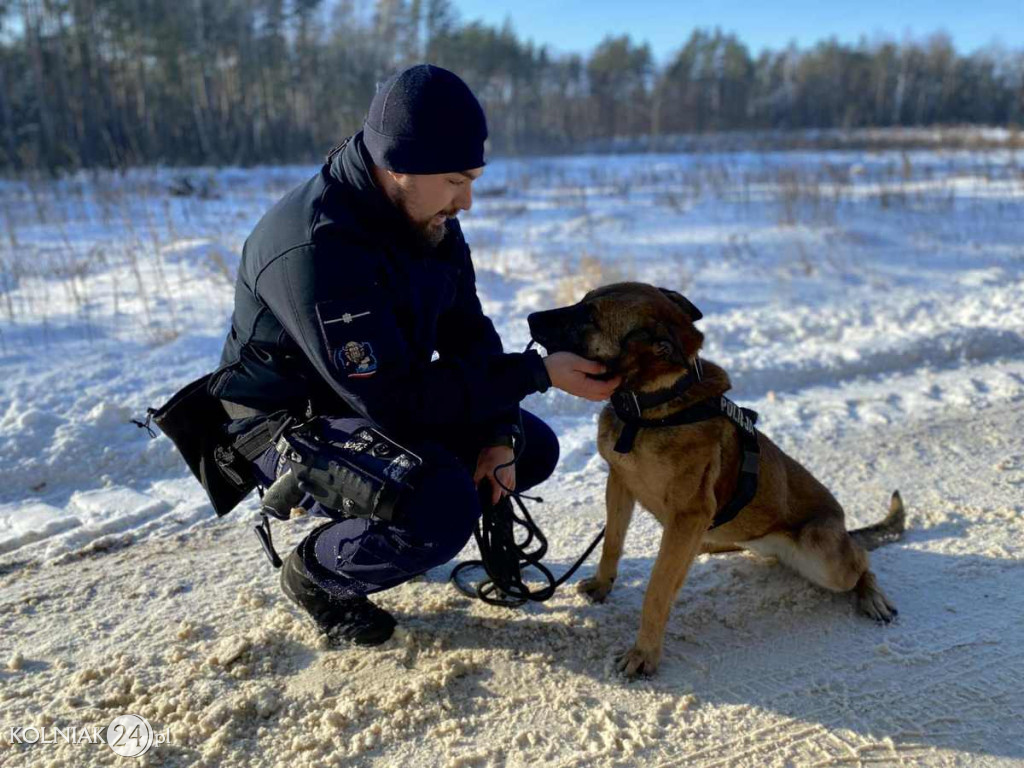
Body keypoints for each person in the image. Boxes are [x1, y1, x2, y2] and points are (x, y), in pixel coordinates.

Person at [208, 64, 619, 646]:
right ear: (398, 165)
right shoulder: (317, 247)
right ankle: (318, 575)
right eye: (456, 180)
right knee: (440, 503)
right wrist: (534, 372)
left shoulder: (425, 217)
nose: (467, 201)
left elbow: (470, 335)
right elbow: (396, 406)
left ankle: (401, 531)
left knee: (529, 447)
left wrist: (498, 431)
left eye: (472, 178)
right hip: (285, 425)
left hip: (371, 398)